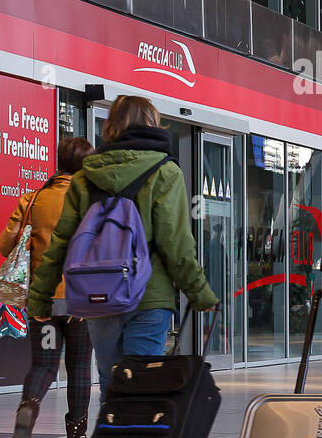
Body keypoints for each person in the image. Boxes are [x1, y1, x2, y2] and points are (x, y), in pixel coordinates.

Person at [27, 96, 219, 403]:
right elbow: (176, 242)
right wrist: (199, 293)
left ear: (112, 126)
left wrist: (39, 298)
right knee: (141, 381)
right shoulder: (166, 173)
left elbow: (61, 241)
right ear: (153, 124)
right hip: (148, 294)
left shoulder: (85, 176)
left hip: (98, 294)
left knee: (111, 380)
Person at [0, 136, 95, 438]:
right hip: (80, 300)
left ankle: (28, 406)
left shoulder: (33, 198)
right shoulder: (90, 202)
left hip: (43, 302)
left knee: (44, 364)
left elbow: (4, 244)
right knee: (79, 367)